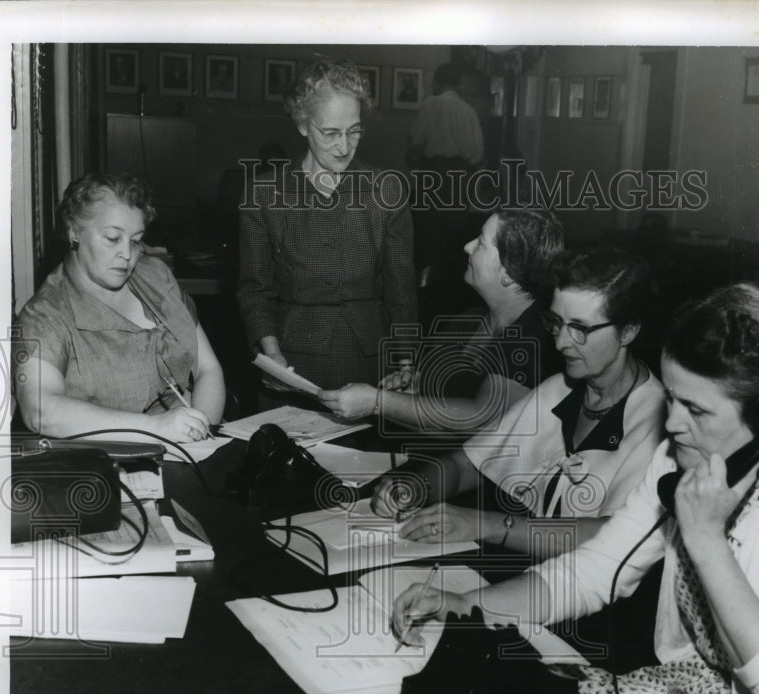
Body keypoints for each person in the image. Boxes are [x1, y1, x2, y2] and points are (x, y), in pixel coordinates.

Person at [391, 283, 759, 694]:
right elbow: (595, 569)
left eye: (697, 409)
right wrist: (469, 605)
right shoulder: (683, 458)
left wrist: (705, 537)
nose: (672, 423)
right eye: (671, 398)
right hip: (696, 692)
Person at [369, 248, 666, 561]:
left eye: (580, 328)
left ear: (629, 331)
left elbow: (613, 535)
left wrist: (486, 524)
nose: (561, 342)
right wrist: (417, 486)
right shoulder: (559, 389)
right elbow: (465, 464)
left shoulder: (658, 419)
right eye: (556, 322)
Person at [238, 57, 416, 391]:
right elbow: (256, 290)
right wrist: (272, 354)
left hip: (370, 362)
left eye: (354, 131)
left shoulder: (386, 190)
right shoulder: (263, 194)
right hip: (292, 361)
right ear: (303, 124)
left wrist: (405, 364)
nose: (344, 147)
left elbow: (401, 288)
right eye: (331, 133)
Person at [15, 173, 226, 443]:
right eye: (113, 238)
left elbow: (208, 368)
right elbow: (40, 411)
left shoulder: (155, 276)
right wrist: (156, 428)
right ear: (73, 233)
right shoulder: (44, 315)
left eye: (135, 240)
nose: (127, 254)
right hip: (111, 463)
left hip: (192, 449)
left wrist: (201, 432)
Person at [318, 208, 564, 437]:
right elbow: (438, 402)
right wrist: (411, 391)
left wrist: (377, 402)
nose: (468, 247)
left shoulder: (539, 336)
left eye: (481, 243)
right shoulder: (468, 320)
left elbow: (481, 417)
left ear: (509, 272)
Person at [407, 62, 485, 323]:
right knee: (454, 238)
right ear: (459, 84)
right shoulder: (468, 111)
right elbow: (477, 153)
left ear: (438, 82)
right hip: (458, 178)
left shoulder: (430, 104)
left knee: (426, 235)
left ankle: (422, 296)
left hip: (432, 175)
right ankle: (450, 295)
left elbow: (416, 142)